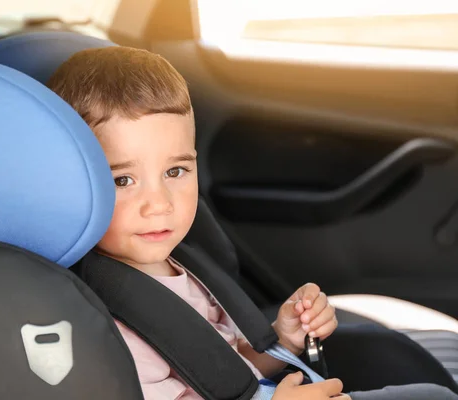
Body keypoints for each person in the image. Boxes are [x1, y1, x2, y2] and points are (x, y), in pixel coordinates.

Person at [47, 46, 457, 400]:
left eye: (175, 172)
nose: (160, 204)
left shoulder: (182, 266)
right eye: (123, 180)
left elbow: (219, 369)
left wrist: (282, 340)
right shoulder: (108, 321)